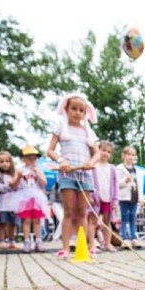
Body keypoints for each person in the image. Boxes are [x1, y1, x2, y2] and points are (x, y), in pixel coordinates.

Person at [46, 92, 100, 259]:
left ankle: (83, 245)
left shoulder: (87, 132)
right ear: (66, 109)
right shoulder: (61, 128)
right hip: (67, 174)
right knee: (68, 211)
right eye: (74, 109)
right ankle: (65, 248)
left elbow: (96, 153)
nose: (77, 113)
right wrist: (61, 160)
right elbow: (50, 150)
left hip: (85, 175)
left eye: (81, 110)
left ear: (85, 113)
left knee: (83, 211)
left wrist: (91, 162)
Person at [12, 146, 50, 253]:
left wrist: (38, 174)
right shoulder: (19, 171)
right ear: (23, 159)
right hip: (24, 197)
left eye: (34, 158)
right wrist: (19, 177)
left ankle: (38, 241)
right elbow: (14, 185)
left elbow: (44, 184)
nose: (32, 161)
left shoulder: (39, 170)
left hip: (37, 198)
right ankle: (27, 241)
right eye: (29, 158)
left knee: (37, 220)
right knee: (26, 220)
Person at [92, 140, 119, 252]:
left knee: (107, 221)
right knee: (93, 221)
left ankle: (107, 243)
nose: (105, 153)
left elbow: (116, 184)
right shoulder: (93, 166)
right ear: (98, 150)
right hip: (95, 198)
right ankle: (92, 243)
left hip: (108, 198)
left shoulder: (112, 168)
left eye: (108, 152)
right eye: (103, 150)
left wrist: (116, 199)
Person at [0, 150, 20, 250]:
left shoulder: (15, 174)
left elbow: (18, 186)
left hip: (13, 204)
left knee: (12, 224)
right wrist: (9, 186)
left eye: (7, 161)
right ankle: (1, 241)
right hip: (2, 204)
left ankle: (12, 240)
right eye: (2, 161)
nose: (5, 164)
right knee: (2, 223)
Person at [116, 145, 141, 249]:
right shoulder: (119, 168)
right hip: (124, 197)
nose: (131, 157)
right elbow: (116, 183)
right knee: (124, 217)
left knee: (133, 217)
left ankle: (133, 237)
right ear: (124, 155)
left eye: (133, 155)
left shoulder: (137, 170)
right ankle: (124, 238)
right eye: (129, 154)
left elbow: (139, 184)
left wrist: (141, 197)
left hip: (134, 197)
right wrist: (124, 181)